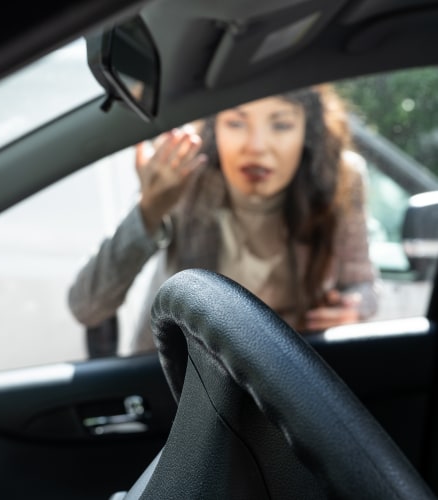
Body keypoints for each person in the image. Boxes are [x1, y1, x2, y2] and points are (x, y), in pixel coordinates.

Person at [68, 84, 380, 353]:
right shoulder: (186, 177)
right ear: (214, 128)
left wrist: (353, 310)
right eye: (235, 122)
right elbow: (88, 306)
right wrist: (150, 209)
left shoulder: (340, 180)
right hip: (186, 384)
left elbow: (362, 285)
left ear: (307, 130)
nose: (256, 147)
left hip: (291, 390)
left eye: (281, 125)